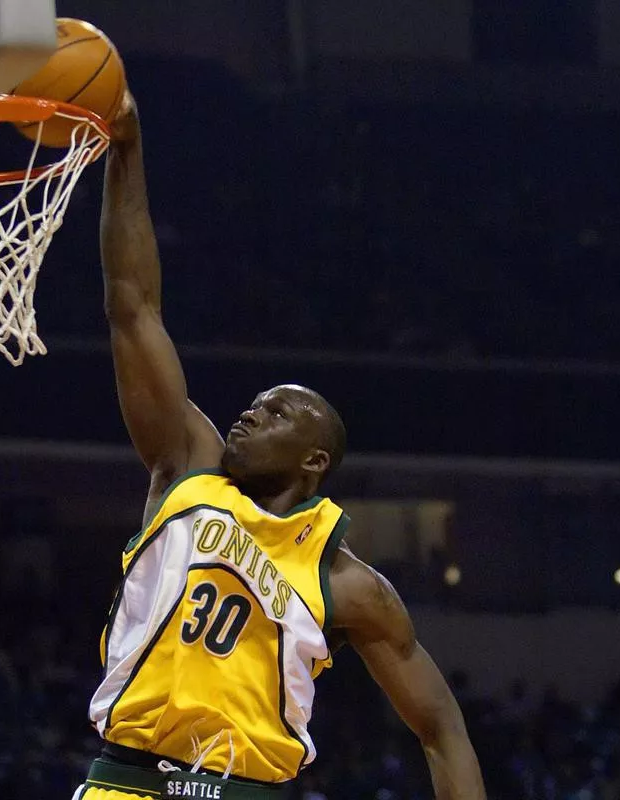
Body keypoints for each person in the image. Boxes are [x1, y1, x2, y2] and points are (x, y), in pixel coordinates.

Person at [73, 91, 486, 800]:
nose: (248, 414)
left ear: (314, 460)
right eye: (253, 405)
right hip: (126, 781)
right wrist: (127, 150)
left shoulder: (349, 583)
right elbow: (133, 304)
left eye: (275, 413)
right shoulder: (187, 467)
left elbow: (441, 725)